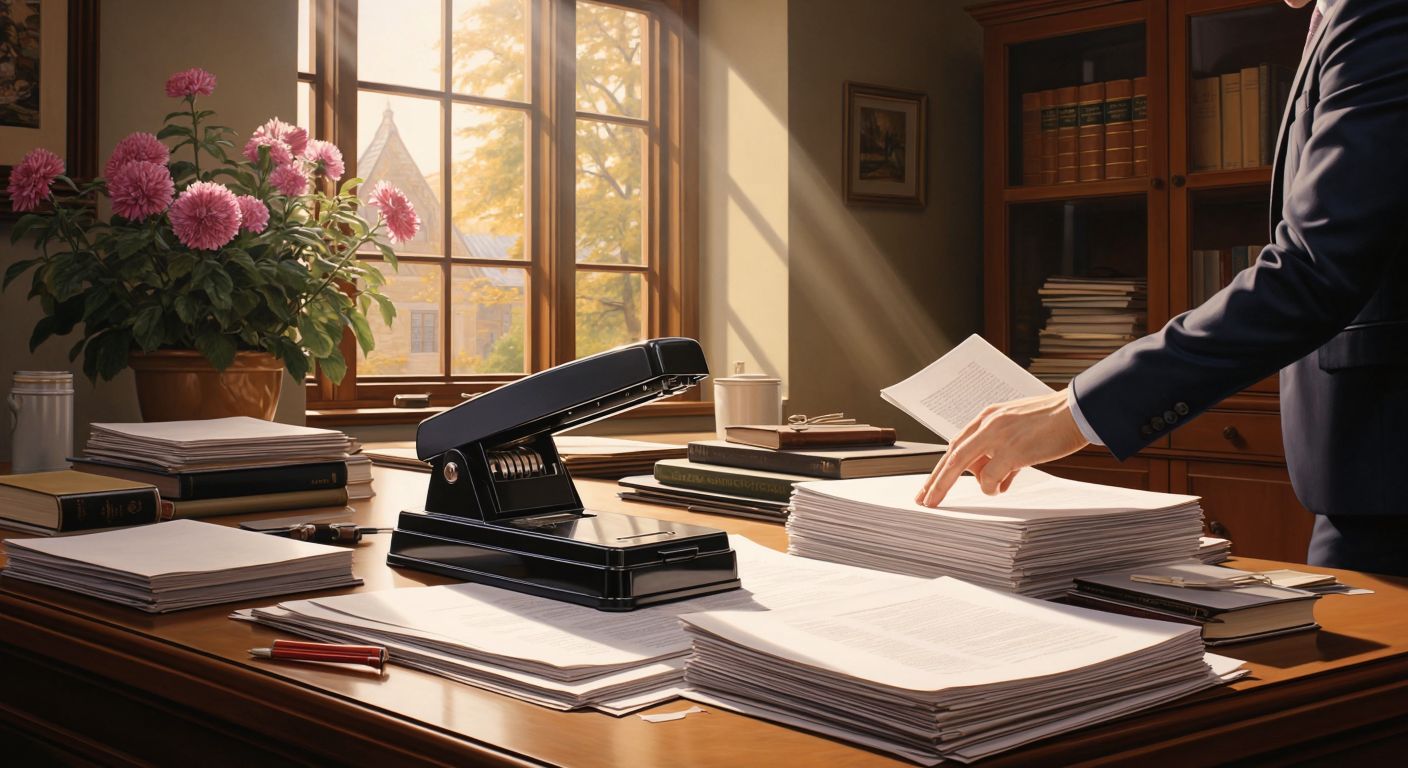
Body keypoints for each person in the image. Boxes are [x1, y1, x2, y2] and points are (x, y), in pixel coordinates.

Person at [917, 0, 1408, 576]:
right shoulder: (1339, 18)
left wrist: (1072, 410)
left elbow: (1313, 268)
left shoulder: (1381, 13)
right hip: (1362, 477)